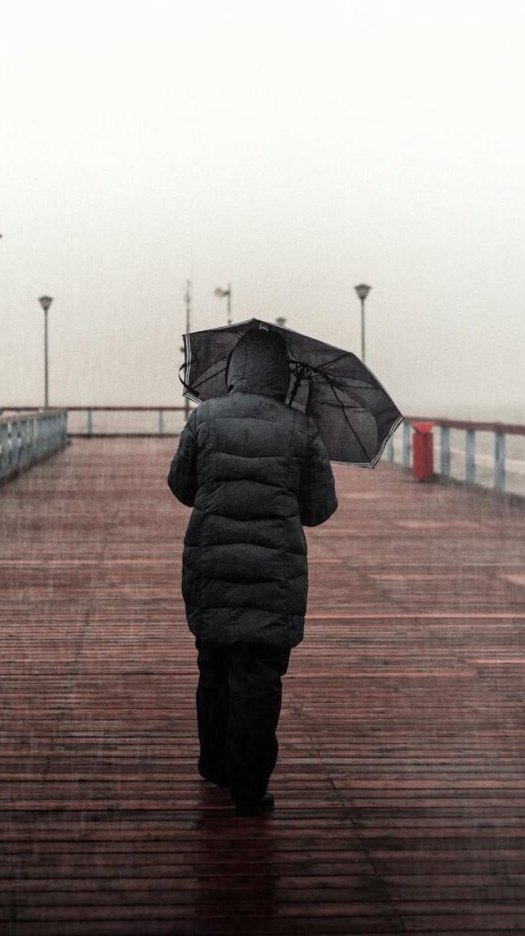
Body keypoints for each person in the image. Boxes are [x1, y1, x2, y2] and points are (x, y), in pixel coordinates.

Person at [167, 326, 338, 817]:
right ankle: (249, 787)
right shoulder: (301, 427)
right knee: (259, 678)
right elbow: (319, 508)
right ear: (281, 377)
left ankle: (215, 763)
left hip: (212, 563)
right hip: (273, 572)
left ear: (234, 371)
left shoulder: (205, 419)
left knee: (214, 666)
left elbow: (181, 486)